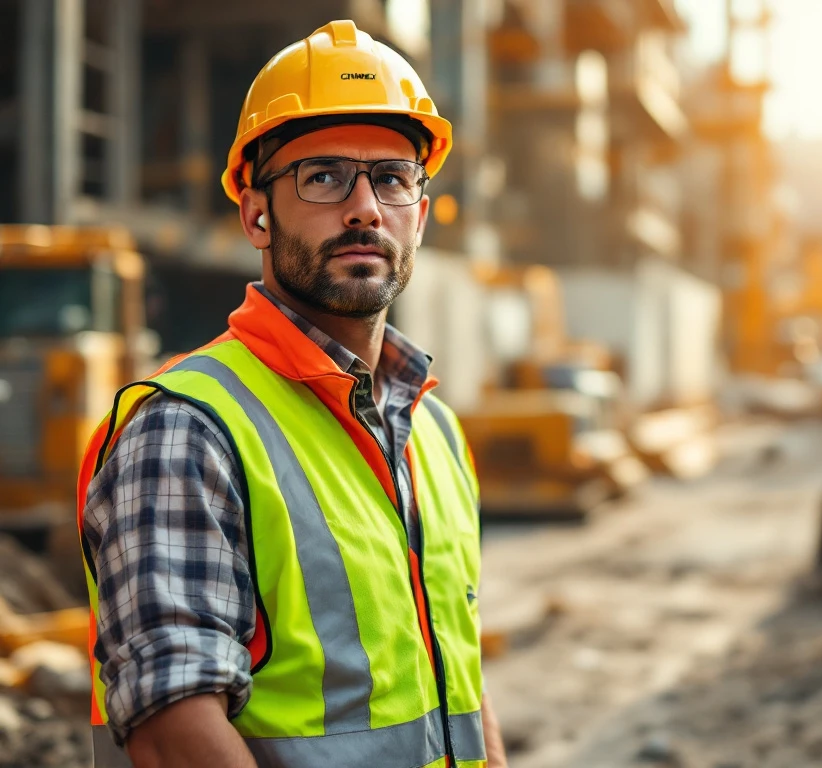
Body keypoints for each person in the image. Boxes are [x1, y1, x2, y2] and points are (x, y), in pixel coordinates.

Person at [77, 20, 507, 768]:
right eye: (323, 176)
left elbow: (458, 677)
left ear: (422, 215)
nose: (366, 207)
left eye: (393, 178)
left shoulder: (433, 428)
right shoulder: (187, 429)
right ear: (255, 213)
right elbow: (175, 730)